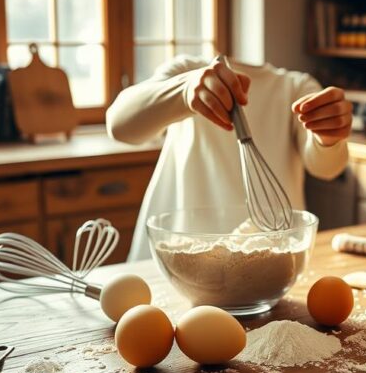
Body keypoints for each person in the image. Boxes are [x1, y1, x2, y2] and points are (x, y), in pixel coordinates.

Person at [107, 55, 352, 260]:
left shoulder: (296, 87)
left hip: (270, 257)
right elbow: (119, 125)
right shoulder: (187, 72)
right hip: (182, 254)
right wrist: (184, 90)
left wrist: (328, 138)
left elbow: (326, 167)